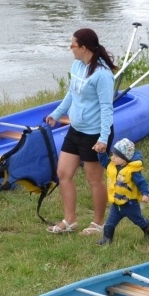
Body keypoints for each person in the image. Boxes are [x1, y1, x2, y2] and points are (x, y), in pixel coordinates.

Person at [45, 28, 116, 235]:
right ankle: (70, 221)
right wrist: (57, 114)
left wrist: (103, 139)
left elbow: (107, 108)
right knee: (63, 173)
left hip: (94, 134)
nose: (71, 49)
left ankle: (99, 223)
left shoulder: (102, 74)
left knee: (94, 180)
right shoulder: (77, 65)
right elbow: (72, 93)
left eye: (73, 45)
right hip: (75, 129)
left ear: (83, 48)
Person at [97, 138, 149, 245]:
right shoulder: (111, 165)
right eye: (113, 154)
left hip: (130, 204)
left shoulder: (132, 171)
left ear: (125, 158)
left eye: (116, 156)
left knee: (138, 220)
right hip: (116, 204)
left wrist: (145, 194)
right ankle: (107, 239)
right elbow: (104, 161)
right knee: (110, 223)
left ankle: (148, 230)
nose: (113, 157)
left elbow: (142, 183)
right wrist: (101, 152)